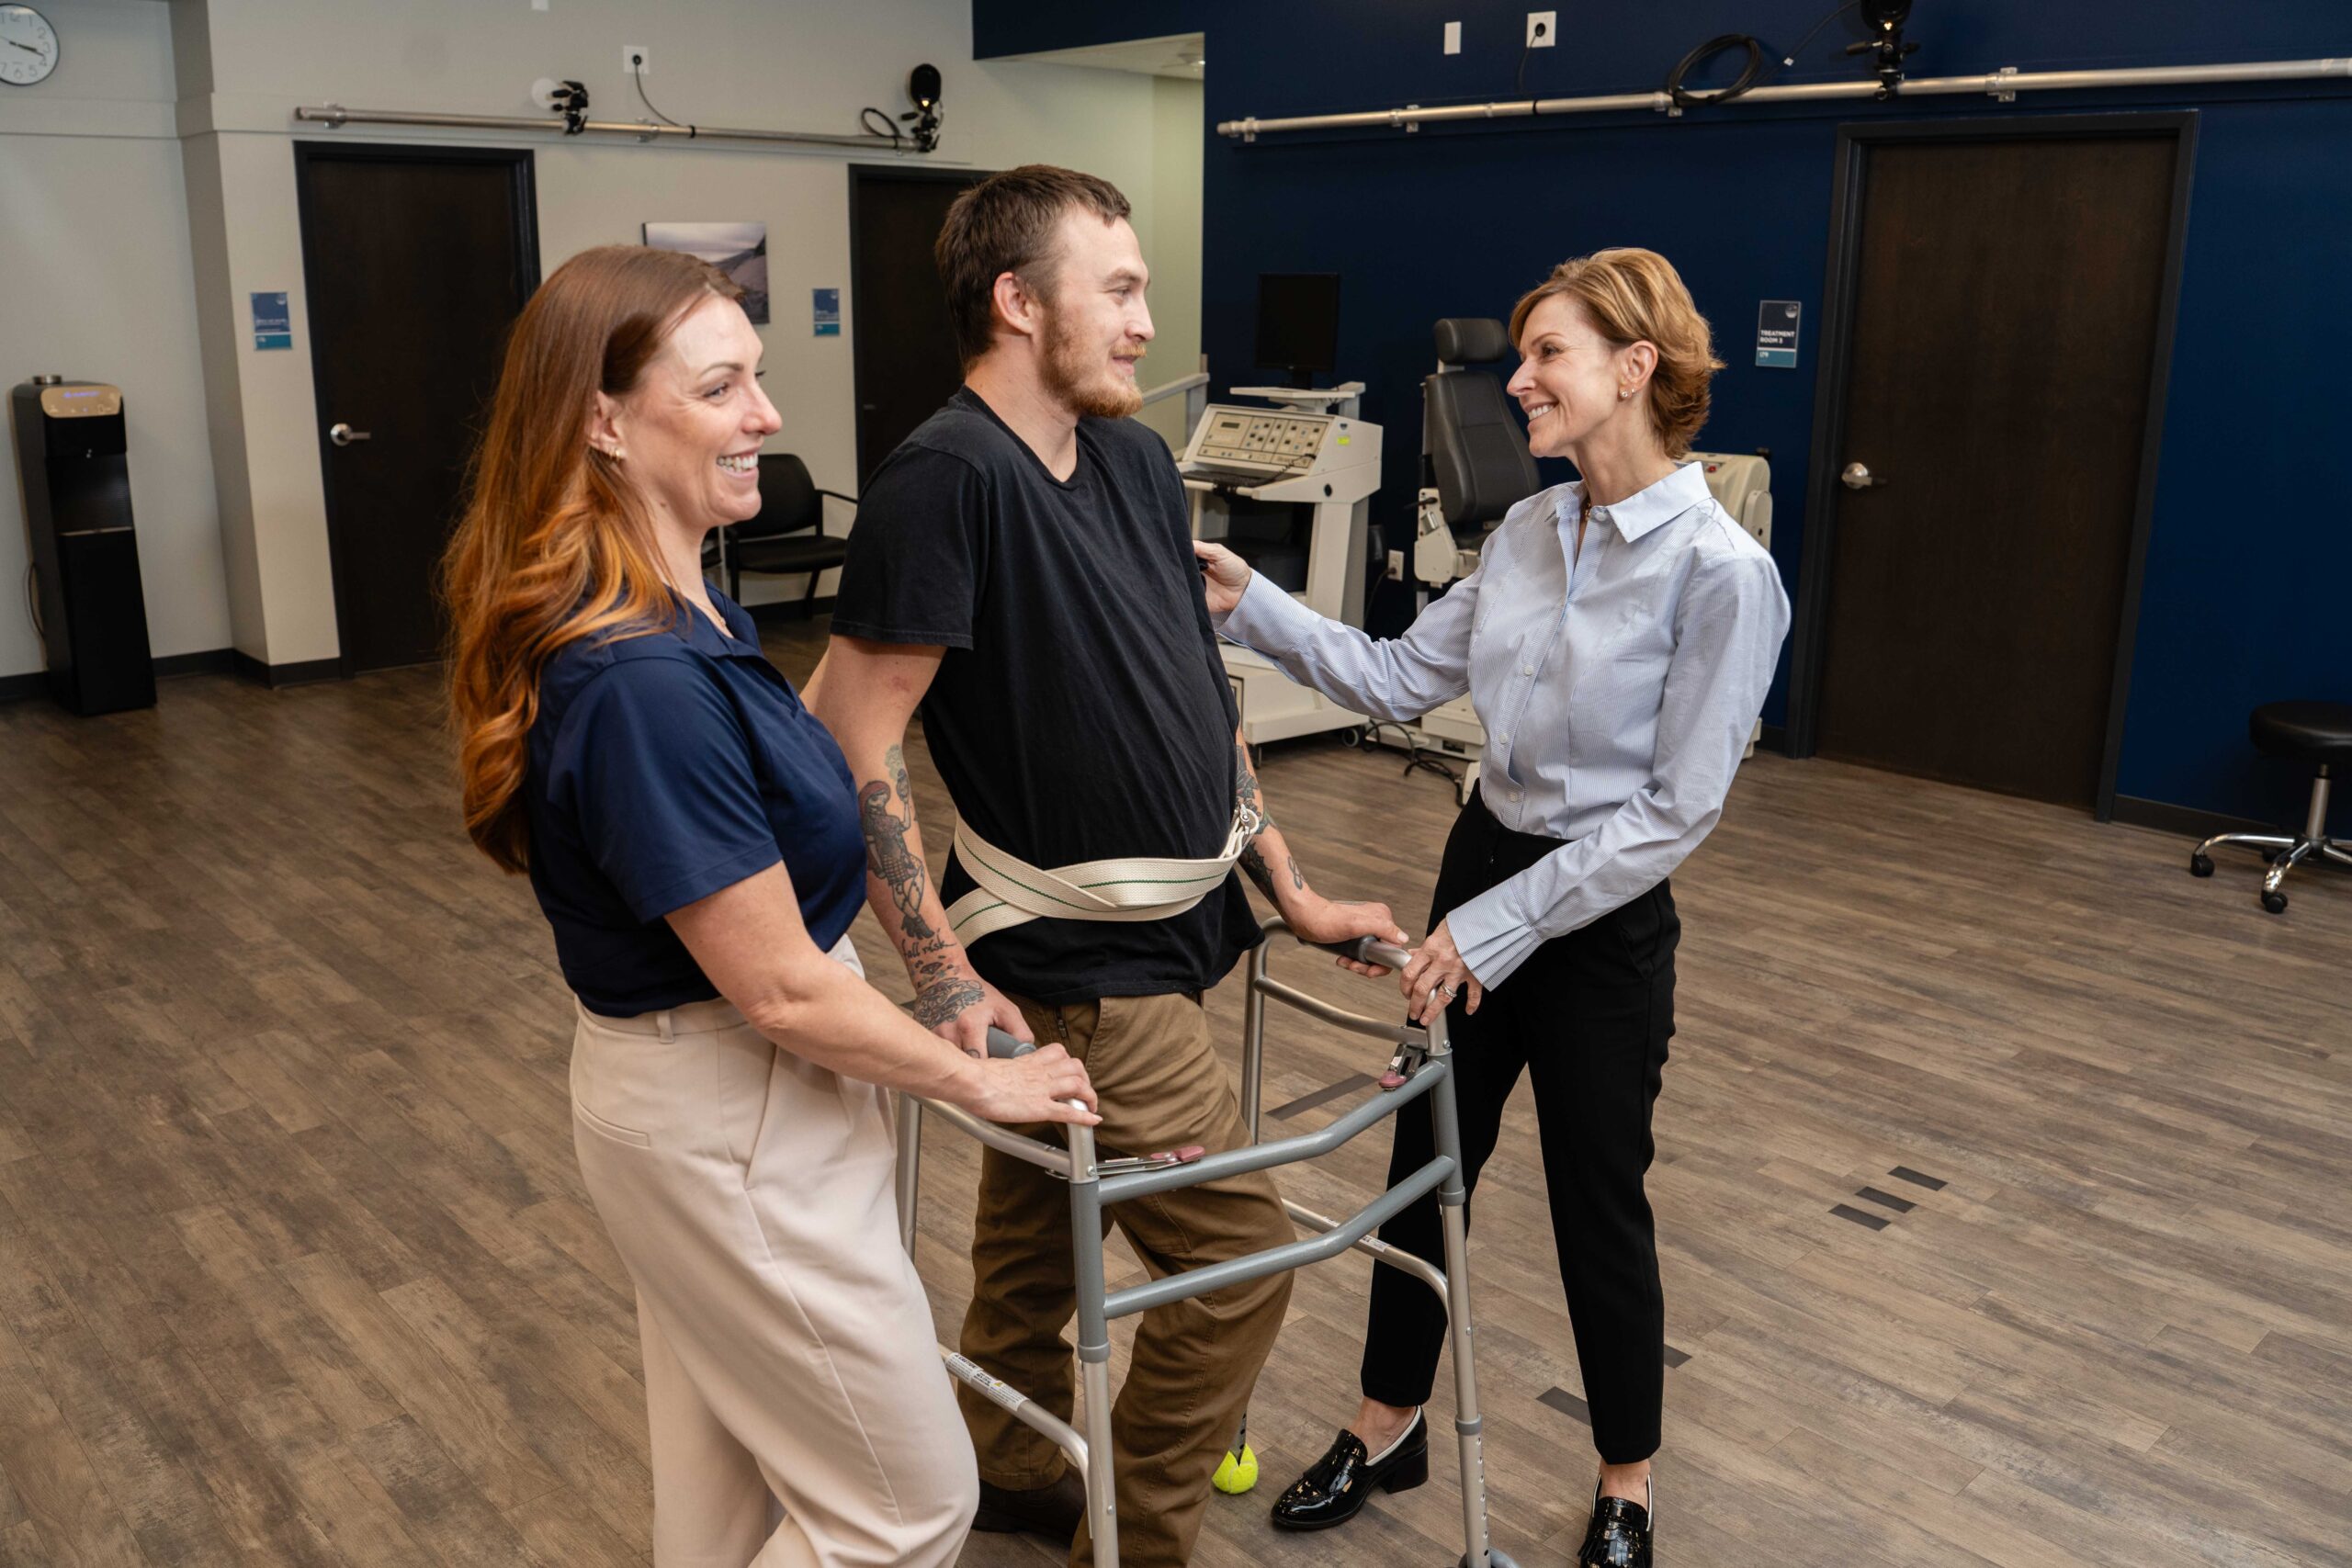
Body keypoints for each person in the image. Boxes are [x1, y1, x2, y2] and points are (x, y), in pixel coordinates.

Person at [441, 243, 1100, 1568]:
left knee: (728, 1503)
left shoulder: (690, 613)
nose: (768, 416)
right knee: (906, 1508)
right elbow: (779, 986)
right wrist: (982, 1088)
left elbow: (803, 847)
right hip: (732, 1119)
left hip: (741, 1103)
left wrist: (936, 978)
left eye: (761, 378)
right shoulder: (636, 681)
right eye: (724, 385)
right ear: (604, 421)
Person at [804, 165, 1404, 1568]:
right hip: (1074, 965)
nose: (1145, 324)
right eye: (1119, 291)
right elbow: (852, 745)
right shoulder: (942, 482)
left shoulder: (1133, 460)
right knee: (1238, 1272)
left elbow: (1203, 701)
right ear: (1019, 303)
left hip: (1178, 936)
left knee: (1027, 1232)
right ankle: (1135, 1546)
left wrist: (1292, 890)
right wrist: (942, 983)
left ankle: (1012, 1469)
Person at [1195, 248, 1792, 1568]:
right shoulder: (1529, 528)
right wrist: (1255, 605)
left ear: (1636, 368)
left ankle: (1625, 1485)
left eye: (1546, 356)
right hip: (1481, 868)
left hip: (1596, 921)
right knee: (1424, 1166)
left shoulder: (1721, 573)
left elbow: (1676, 814)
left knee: (1598, 1200)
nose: (1515, 381)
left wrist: (1507, 925)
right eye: (1520, 356)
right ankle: (1385, 1423)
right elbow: (1402, 677)